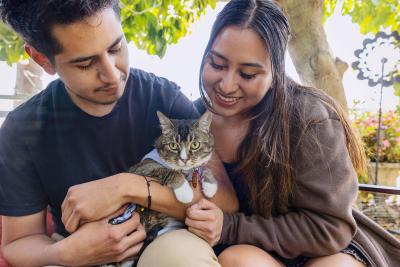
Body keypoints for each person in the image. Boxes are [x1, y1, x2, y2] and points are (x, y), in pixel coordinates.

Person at [0, 1, 238, 266]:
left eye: (116, 47)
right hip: (76, 248)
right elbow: (17, 243)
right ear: (42, 59)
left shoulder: (163, 98)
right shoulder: (22, 129)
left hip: (164, 240)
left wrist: (125, 187)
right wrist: (66, 252)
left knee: (179, 257)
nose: (112, 75)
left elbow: (225, 202)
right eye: (85, 64)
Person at [187, 0, 400, 266]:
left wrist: (229, 226)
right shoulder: (191, 119)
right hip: (248, 251)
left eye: (248, 74)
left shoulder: (309, 117)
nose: (227, 85)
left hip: (326, 249)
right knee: (237, 260)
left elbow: (330, 229)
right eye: (217, 64)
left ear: (276, 71)